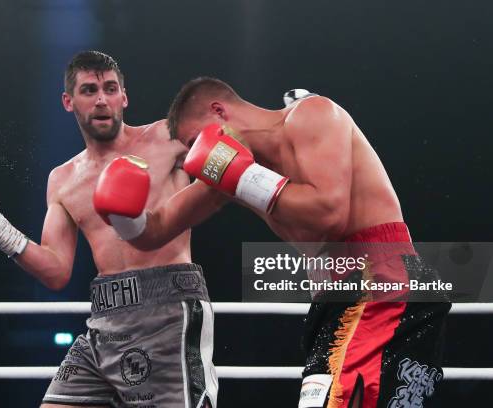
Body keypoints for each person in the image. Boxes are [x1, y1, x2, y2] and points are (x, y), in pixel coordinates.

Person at [95, 77, 450, 408]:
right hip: (336, 306)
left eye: (195, 142)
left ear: (219, 112)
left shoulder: (312, 115)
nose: (200, 157)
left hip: (382, 287)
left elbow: (329, 213)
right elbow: (155, 230)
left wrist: (242, 175)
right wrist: (125, 216)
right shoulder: (233, 172)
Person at [0, 52, 218, 408]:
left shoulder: (168, 138)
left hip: (167, 310)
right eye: (89, 90)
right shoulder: (62, 179)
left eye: (110, 88)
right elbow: (57, 271)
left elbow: (233, 161)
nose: (102, 99)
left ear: (124, 96)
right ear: (68, 101)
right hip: (103, 321)